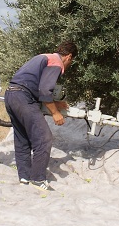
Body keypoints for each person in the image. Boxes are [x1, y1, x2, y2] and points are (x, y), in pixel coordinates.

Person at [4, 41, 77, 191]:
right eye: (71, 61)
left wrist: (54, 103)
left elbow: (35, 86)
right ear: (69, 57)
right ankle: (38, 179)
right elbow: (44, 90)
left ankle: (24, 177)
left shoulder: (43, 57)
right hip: (23, 98)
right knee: (44, 139)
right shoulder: (56, 62)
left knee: (22, 138)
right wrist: (55, 113)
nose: (69, 64)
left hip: (11, 94)